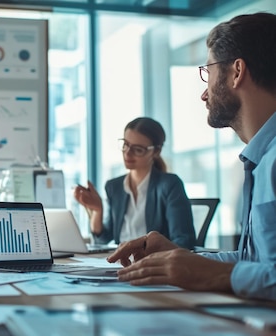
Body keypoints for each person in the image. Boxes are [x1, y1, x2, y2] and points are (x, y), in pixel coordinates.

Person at [108, 12, 276, 301]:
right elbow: (256, 261)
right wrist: (179, 257)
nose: (203, 93)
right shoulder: (262, 160)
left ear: (237, 72)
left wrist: (214, 274)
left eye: (208, 73)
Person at [73, 117, 195, 249]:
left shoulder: (169, 185)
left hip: (154, 262)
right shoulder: (114, 186)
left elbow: (184, 240)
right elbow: (102, 240)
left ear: (156, 152)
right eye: (125, 145)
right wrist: (97, 211)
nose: (127, 153)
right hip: (121, 261)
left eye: (137, 149)